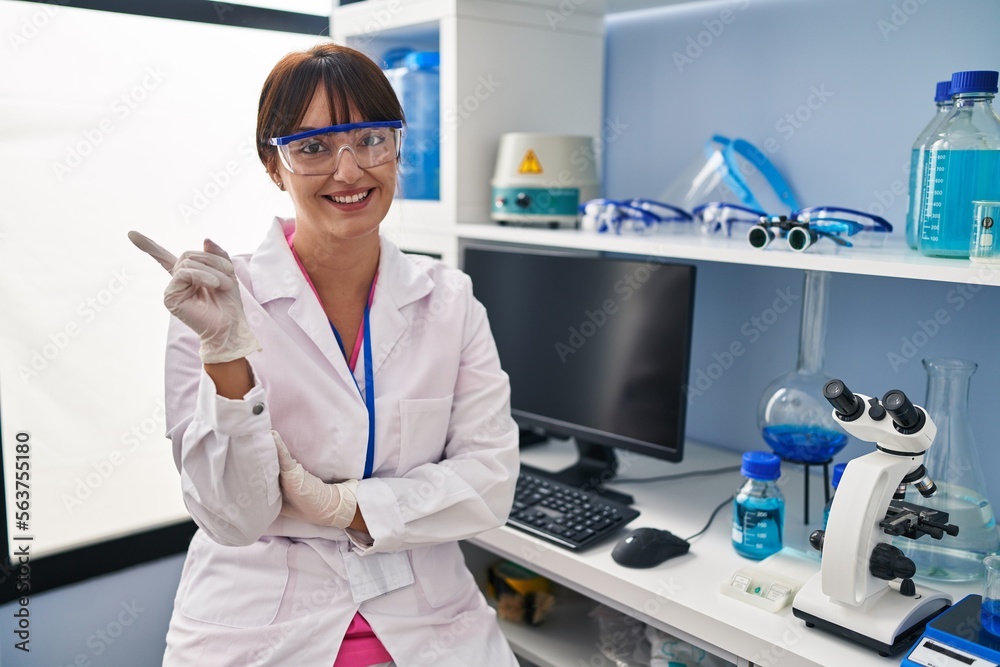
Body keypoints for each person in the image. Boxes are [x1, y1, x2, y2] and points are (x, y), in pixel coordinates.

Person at [130, 42, 521, 667]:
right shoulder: (217, 304)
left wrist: (347, 506)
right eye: (312, 147)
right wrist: (227, 354)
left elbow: (490, 480)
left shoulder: (450, 301)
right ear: (272, 164)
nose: (349, 171)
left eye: (371, 139)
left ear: (398, 147)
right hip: (263, 622)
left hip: (427, 616)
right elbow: (233, 518)